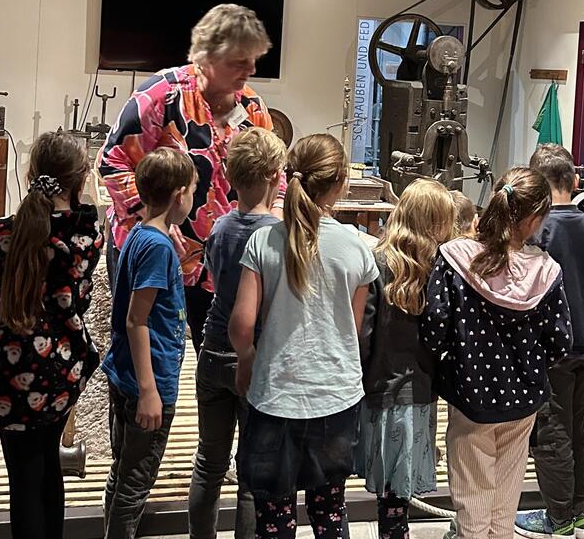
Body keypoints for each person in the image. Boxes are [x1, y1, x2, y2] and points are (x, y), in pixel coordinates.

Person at [99, 3, 283, 355]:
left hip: (216, 263)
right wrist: (155, 222)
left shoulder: (253, 106)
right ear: (207, 55)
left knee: (217, 360)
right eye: (239, 61)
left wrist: (274, 210)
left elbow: (277, 170)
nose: (251, 69)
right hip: (156, 252)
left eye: (253, 59)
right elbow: (113, 163)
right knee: (143, 363)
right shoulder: (161, 95)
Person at [230, 134, 378, 539]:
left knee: (274, 517)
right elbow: (354, 327)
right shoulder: (356, 247)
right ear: (340, 182)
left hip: (275, 397)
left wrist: (246, 359)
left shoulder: (263, 241)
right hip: (335, 397)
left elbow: (242, 323)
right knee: (330, 511)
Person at [0, 131, 104, 539]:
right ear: (79, 181)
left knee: (21, 476)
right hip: (61, 372)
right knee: (48, 465)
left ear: (29, 174)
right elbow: (77, 299)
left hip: (4, 377)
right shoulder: (84, 237)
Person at [421, 168, 572, 539]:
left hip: (469, 396)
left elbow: (434, 327)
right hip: (523, 400)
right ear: (535, 219)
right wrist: (533, 365)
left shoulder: (455, 258)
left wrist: (447, 362)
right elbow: (561, 340)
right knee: (505, 505)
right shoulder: (546, 272)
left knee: (472, 502)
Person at [188, 127, 286, 538]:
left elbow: (212, 276)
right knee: (252, 473)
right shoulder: (276, 236)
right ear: (271, 175)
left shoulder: (221, 227)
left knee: (208, 462)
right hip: (255, 357)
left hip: (213, 350)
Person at [515, 144, 584, 539]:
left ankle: (558, 517)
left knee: (552, 432)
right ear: (574, 180)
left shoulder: (541, 230)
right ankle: (581, 510)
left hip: (556, 347)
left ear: (536, 183)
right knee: (578, 427)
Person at [101, 148, 198, 539]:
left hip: (127, 373)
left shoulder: (140, 232)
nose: (194, 197)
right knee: (135, 483)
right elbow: (136, 319)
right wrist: (149, 391)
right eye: (193, 190)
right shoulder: (157, 247)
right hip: (148, 379)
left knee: (123, 473)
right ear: (179, 195)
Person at [358, 179, 456, 539]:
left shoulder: (377, 262)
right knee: (401, 489)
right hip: (420, 390)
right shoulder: (442, 268)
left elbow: (363, 334)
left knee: (390, 490)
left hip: (379, 388)